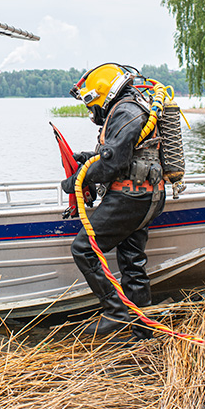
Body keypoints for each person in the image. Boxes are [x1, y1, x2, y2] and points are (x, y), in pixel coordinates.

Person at [60, 63, 166, 340]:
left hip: (130, 197)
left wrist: (78, 180)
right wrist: (88, 158)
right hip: (147, 195)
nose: (91, 112)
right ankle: (143, 327)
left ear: (103, 95)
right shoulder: (135, 107)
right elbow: (121, 153)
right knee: (132, 260)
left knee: (84, 249)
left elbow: (112, 163)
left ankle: (114, 312)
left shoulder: (124, 111)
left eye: (91, 104)